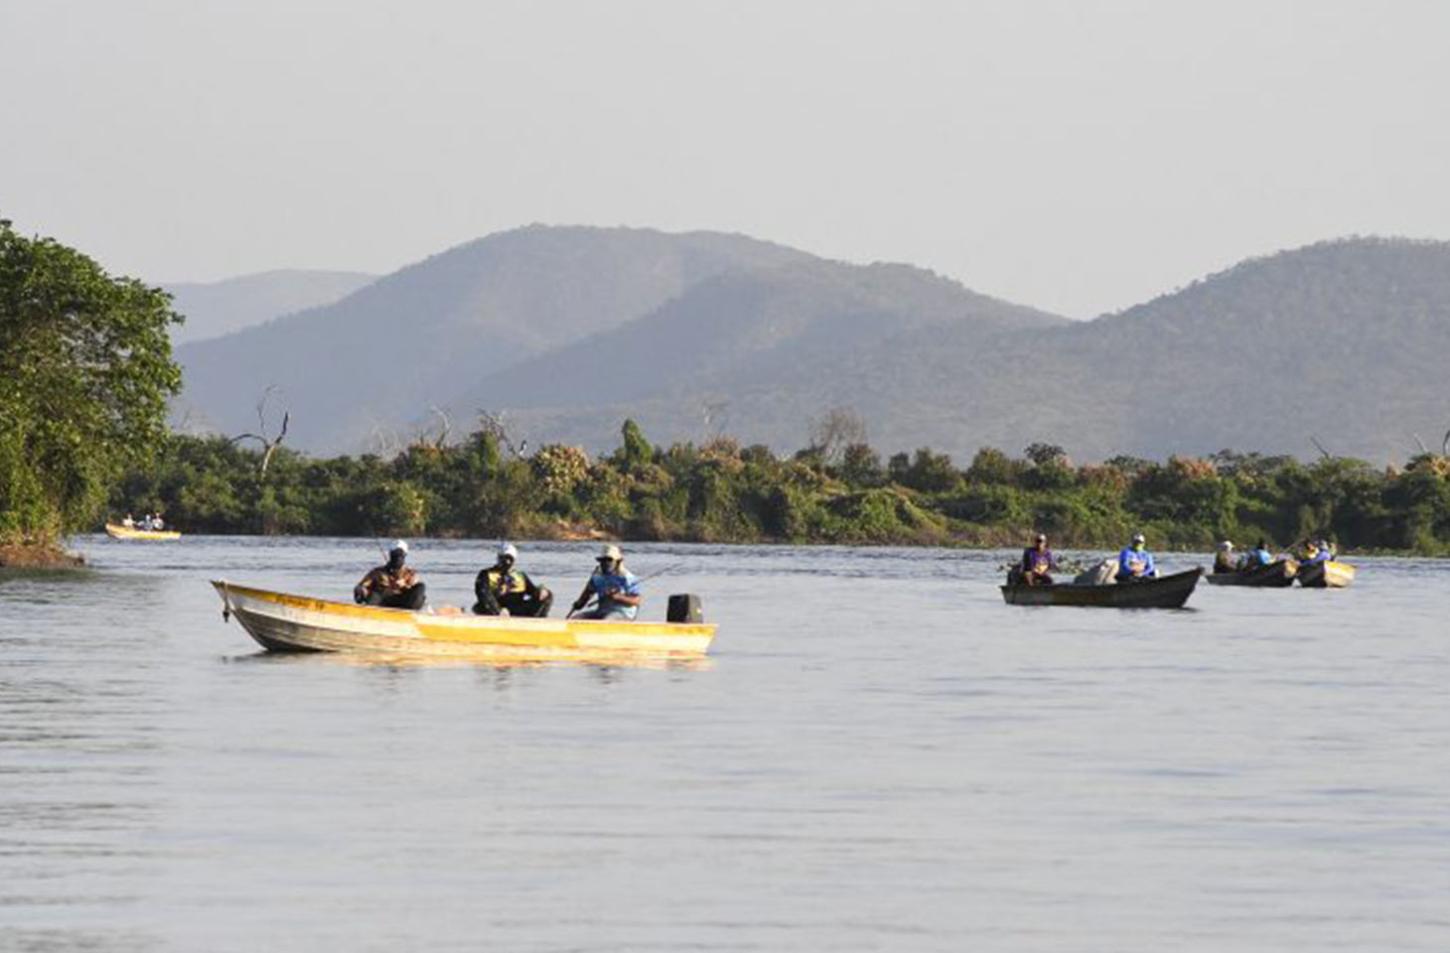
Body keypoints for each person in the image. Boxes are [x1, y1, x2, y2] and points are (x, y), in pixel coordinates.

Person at [473, 542, 553, 617]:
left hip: (516, 609)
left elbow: (533, 591)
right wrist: (498, 611)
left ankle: (539, 624)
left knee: (547, 595)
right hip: (496, 610)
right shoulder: (486, 574)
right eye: (503, 558)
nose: (506, 562)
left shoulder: (520, 575)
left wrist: (542, 590)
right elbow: (484, 594)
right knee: (482, 604)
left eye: (509, 559)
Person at [570, 544, 642, 620]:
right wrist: (579, 604)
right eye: (602, 560)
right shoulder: (597, 577)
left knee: (608, 619)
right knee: (575, 619)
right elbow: (587, 593)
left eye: (609, 560)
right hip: (602, 611)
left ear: (618, 562)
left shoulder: (626, 577)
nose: (605, 563)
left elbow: (637, 600)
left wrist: (618, 597)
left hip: (622, 613)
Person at [354, 540, 427, 610]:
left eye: (400, 555)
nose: (397, 558)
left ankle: (411, 615)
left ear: (404, 555)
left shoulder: (411, 573)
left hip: (404, 603)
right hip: (383, 602)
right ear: (390, 554)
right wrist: (361, 590)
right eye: (395, 554)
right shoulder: (377, 572)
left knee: (421, 587)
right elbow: (362, 585)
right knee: (375, 594)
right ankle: (368, 613)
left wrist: (404, 585)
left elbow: (415, 587)